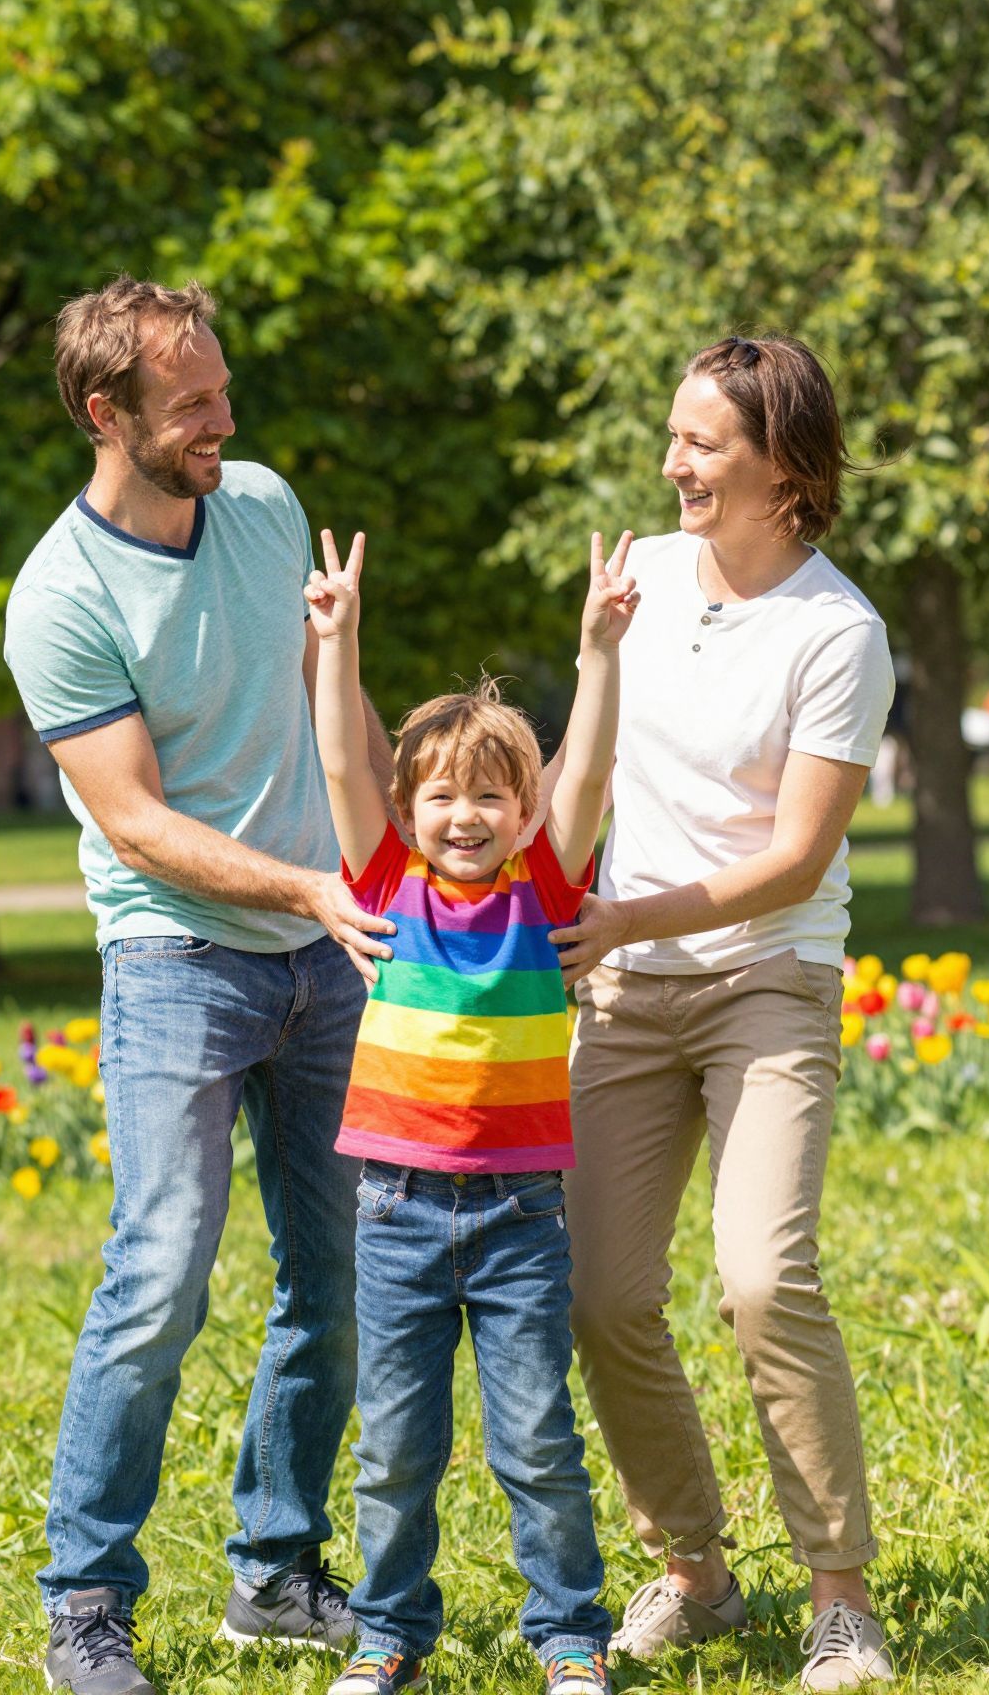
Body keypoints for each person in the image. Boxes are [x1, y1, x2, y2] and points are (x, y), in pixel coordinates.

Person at [4, 276, 397, 1695]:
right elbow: (134, 821)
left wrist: (387, 846)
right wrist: (304, 888)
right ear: (107, 416)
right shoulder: (60, 595)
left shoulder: (267, 507)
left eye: (224, 391)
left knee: (339, 1276)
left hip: (323, 953)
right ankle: (85, 1602)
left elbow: (324, 696)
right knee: (161, 1274)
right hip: (176, 958)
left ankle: (276, 1573)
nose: (225, 421)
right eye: (194, 407)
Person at [547, 335, 897, 1693]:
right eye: (674, 434)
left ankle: (843, 1599)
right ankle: (693, 1569)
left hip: (768, 976)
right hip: (626, 987)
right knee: (601, 1292)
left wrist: (629, 916)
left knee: (764, 1275)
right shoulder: (636, 572)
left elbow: (797, 858)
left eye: (703, 442)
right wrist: (562, 892)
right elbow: (589, 772)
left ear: (786, 471)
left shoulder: (839, 631)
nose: (673, 460)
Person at [305, 527, 639, 1695]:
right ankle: (387, 1628)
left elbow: (589, 773)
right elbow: (345, 769)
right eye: (440, 793)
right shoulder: (384, 885)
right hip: (394, 1210)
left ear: (523, 808)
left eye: (490, 795)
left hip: (519, 1216)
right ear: (410, 808)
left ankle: (569, 1633)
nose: (463, 812)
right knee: (396, 1445)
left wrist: (598, 652)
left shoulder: (545, 892)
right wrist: (335, 647)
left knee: (537, 1437)